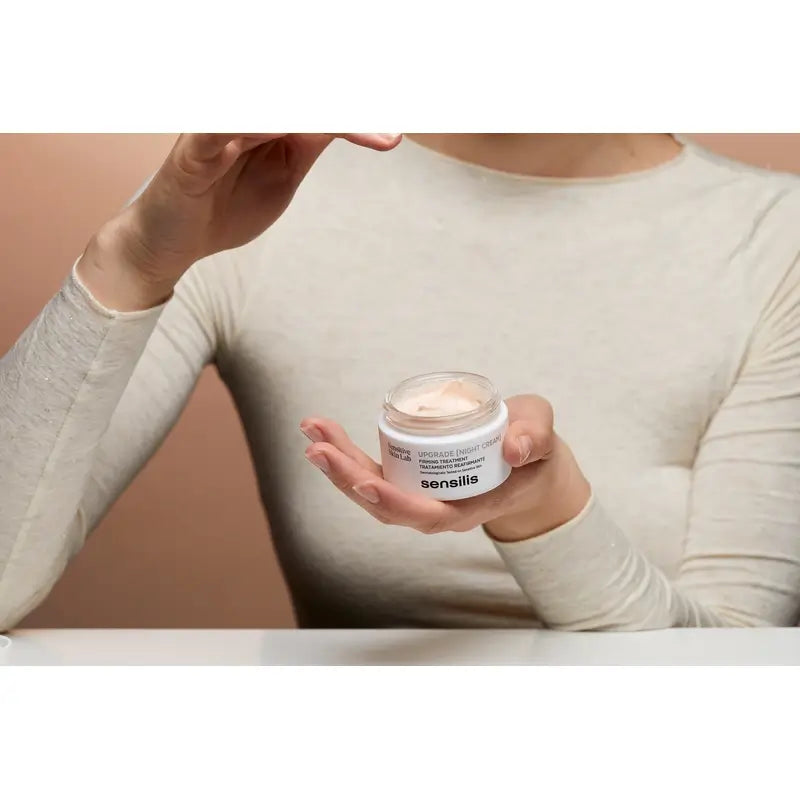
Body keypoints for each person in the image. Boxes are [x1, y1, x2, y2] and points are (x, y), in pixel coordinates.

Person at [2, 132, 800, 632]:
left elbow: (732, 677)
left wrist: (546, 512)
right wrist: (133, 259)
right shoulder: (257, 187)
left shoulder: (774, 239)